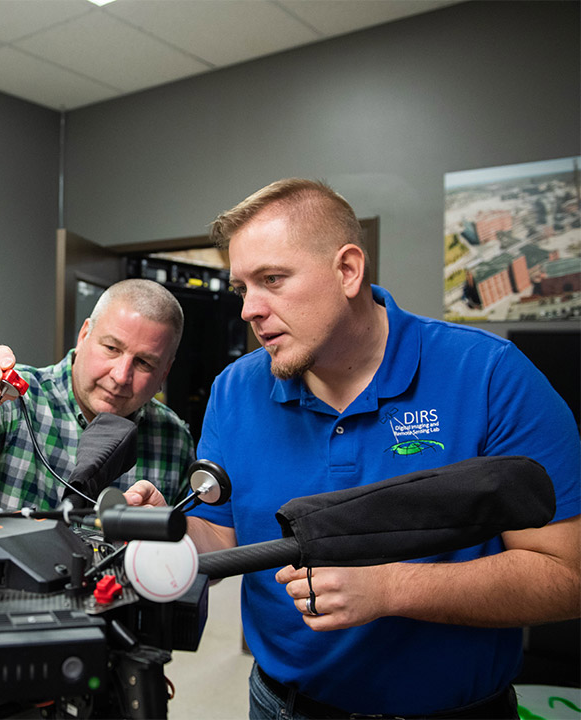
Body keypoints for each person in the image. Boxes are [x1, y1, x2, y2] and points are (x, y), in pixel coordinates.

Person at [125, 179, 580, 718]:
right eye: (243, 286)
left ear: (348, 270)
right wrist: (171, 529)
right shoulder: (235, 389)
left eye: (272, 279)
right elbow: (222, 534)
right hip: (281, 704)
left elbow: (567, 575)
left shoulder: (488, 376)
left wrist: (390, 588)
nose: (249, 309)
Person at [0, 278, 196, 510]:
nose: (120, 376)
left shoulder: (175, 439)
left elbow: (194, 559)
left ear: (164, 373)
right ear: (84, 336)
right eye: (111, 348)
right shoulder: (15, 399)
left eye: (144, 363)